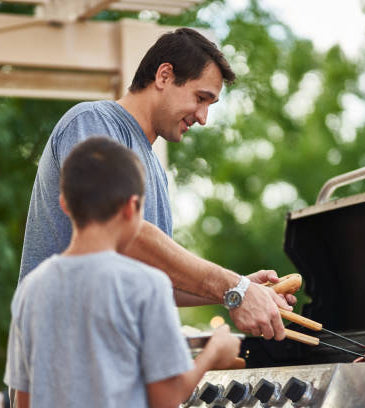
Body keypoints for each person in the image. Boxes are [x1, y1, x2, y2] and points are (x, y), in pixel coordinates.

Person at [19, 27, 295, 340]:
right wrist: (235, 287)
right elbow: (119, 230)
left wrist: (237, 290)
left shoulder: (154, 171)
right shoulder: (92, 122)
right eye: (200, 98)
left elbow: (159, 279)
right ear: (164, 76)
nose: (203, 117)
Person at [4, 137, 241, 408]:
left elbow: (23, 400)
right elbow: (165, 399)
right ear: (132, 208)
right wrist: (214, 353)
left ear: (65, 204)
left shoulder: (32, 288)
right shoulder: (147, 284)